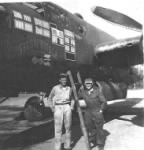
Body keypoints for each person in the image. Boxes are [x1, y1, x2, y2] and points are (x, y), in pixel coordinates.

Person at [48, 73, 74, 150]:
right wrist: (52, 108)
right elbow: (49, 98)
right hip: (58, 107)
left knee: (68, 127)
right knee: (58, 128)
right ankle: (57, 147)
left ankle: (67, 146)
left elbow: (72, 99)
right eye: (62, 79)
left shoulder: (69, 88)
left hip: (67, 107)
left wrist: (71, 107)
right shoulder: (55, 88)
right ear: (59, 80)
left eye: (65, 79)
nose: (64, 81)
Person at [78, 78, 107, 150]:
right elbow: (77, 96)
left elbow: (104, 102)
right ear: (84, 84)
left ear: (92, 84)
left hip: (97, 110)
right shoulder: (84, 92)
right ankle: (93, 136)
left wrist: (101, 110)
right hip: (88, 111)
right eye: (86, 83)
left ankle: (100, 144)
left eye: (89, 83)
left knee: (99, 128)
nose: (88, 85)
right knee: (88, 125)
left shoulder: (97, 91)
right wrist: (80, 88)